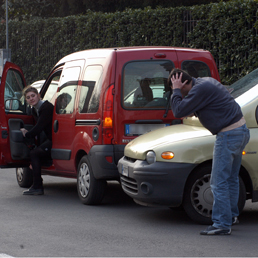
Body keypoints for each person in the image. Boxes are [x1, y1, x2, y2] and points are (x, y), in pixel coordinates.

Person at [168, 68, 250, 235]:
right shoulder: (205, 82)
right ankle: (231, 216)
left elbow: (178, 111)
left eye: (175, 86)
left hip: (228, 135)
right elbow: (199, 107)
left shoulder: (198, 89)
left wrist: (175, 90)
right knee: (231, 178)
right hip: (240, 130)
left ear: (183, 83)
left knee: (217, 181)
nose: (176, 91)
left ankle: (221, 223)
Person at [20, 86, 54, 195]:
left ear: (38, 95)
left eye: (33, 96)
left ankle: (38, 186)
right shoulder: (34, 109)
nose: (31, 99)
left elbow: (39, 127)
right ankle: (37, 182)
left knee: (34, 154)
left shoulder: (46, 107)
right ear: (26, 100)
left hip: (57, 139)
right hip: (50, 139)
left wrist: (27, 134)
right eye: (28, 97)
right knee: (35, 153)